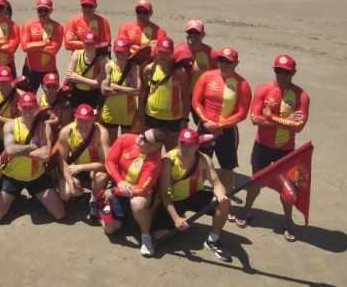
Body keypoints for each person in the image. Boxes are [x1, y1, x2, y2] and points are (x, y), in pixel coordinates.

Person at [236, 54, 310, 241]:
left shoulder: (301, 96)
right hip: (263, 146)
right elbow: (254, 119)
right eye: (278, 70)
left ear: (293, 72)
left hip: (285, 150)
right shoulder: (264, 89)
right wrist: (286, 121)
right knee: (256, 182)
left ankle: (287, 221)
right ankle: (246, 211)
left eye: (285, 72)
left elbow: (299, 126)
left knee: (287, 187)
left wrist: (270, 117)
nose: (281, 75)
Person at [152, 128, 233, 262]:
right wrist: (176, 218)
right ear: (178, 142)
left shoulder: (204, 160)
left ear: (197, 146)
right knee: (158, 237)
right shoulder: (168, 160)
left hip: (195, 195)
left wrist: (221, 195)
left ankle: (213, 240)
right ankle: (179, 218)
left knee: (224, 203)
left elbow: (216, 183)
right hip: (174, 200)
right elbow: (164, 194)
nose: (185, 148)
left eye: (190, 145)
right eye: (182, 143)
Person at [0, 92, 65, 222]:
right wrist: (32, 147)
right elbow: (9, 150)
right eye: (24, 107)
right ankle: (17, 195)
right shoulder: (11, 125)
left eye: (30, 107)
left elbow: (46, 155)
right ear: (19, 107)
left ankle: (35, 194)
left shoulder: (43, 126)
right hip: (12, 176)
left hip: (37, 176)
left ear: (36, 107)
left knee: (60, 214)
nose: (27, 110)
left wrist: (19, 149)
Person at [192, 46, 252, 196]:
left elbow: (242, 113)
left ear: (236, 63)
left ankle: (225, 200)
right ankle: (194, 195)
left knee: (227, 167)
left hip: (227, 131)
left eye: (228, 62)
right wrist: (206, 121)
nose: (223, 64)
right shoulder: (207, 76)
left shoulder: (242, 84)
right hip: (205, 126)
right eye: (221, 60)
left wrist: (218, 125)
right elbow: (196, 102)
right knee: (199, 163)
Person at [100, 128, 164, 257]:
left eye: (145, 140)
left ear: (153, 148)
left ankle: (146, 236)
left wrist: (114, 190)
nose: (139, 138)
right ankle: (104, 208)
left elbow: (141, 188)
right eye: (142, 134)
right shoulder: (125, 139)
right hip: (120, 185)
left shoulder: (154, 161)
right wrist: (119, 182)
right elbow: (110, 161)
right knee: (110, 229)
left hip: (139, 191)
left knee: (137, 204)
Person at [57, 104, 111, 224]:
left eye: (87, 121)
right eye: (79, 120)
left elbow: (106, 163)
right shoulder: (66, 132)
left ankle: (95, 201)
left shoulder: (101, 133)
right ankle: (78, 192)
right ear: (75, 117)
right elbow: (62, 160)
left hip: (93, 168)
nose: (83, 124)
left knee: (101, 177)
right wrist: (70, 182)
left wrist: (81, 167)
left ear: (93, 119)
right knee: (65, 193)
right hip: (75, 169)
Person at [141, 37, 191, 150]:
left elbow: (186, 97)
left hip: (173, 118)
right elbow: (143, 94)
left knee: (172, 150)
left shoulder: (180, 72)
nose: (163, 55)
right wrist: (141, 113)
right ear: (156, 51)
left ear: (172, 52)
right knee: (153, 150)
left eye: (166, 52)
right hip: (152, 116)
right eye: (160, 51)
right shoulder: (149, 69)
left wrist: (184, 119)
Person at [20, 0, 64, 92]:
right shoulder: (28, 25)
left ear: (51, 11)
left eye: (46, 10)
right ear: (36, 9)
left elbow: (53, 50)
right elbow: (24, 47)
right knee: (28, 99)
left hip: (49, 70)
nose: (43, 13)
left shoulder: (58, 27)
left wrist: (32, 45)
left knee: (51, 99)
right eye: (40, 10)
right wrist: (45, 43)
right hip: (30, 69)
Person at [99, 37, 141, 138]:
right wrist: (129, 89)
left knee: (126, 143)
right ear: (114, 51)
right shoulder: (109, 66)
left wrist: (114, 87)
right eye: (117, 52)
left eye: (122, 52)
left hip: (128, 112)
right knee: (111, 144)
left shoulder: (134, 67)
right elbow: (104, 90)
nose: (120, 55)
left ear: (128, 51)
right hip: (110, 111)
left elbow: (138, 91)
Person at [65, 29, 108, 109]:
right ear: (83, 44)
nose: (89, 46)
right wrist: (92, 82)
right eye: (87, 43)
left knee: (91, 117)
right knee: (76, 116)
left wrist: (77, 77)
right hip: (77, 93)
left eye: (92, 44)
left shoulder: (102, 59)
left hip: (93, 94)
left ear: (96, 44)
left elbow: (99, 84)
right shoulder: (77, 54)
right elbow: (69, 77)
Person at [174, 20, 218, 95]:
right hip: (179, 96)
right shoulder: (176, 51)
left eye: (196, 33)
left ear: (203, 35)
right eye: (190, 32)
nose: (192, 35)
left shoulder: (212, 54)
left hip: (201, 98)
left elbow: (219, 77)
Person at [39, 71, 73, 136]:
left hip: (57, 138)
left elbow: (65, 129)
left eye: (54, 87)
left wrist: (47, 124)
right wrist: (55, 122)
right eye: (48, 86)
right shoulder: (38, 101)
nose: (51, 90)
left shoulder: (64, 105)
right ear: (43, 86)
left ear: (58, 87)